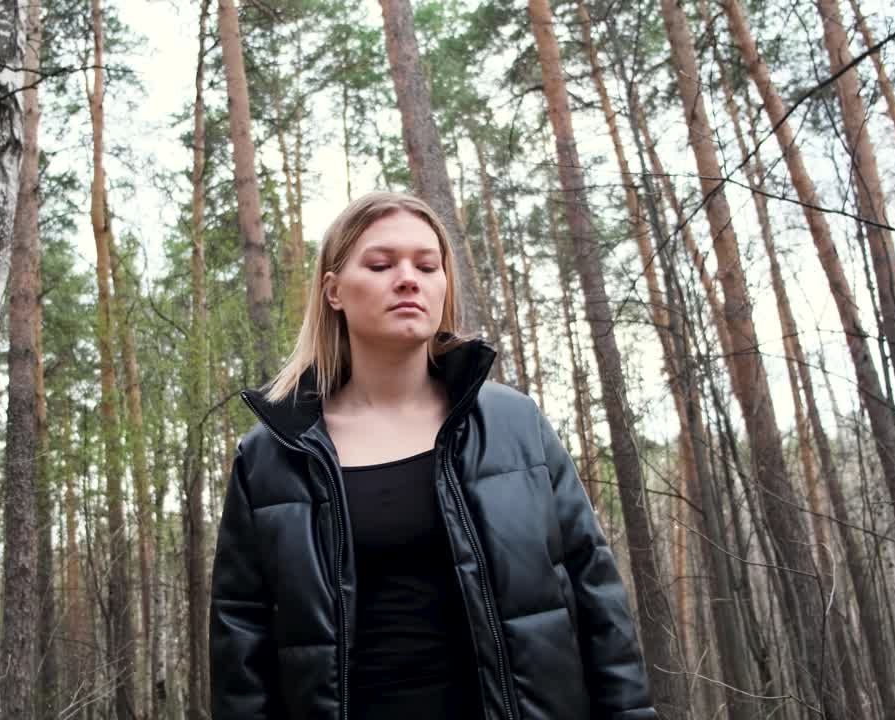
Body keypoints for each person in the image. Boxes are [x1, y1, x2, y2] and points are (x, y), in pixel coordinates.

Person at [210, 191, 656, 720]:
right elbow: (241, 644)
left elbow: (595, 594)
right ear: (333, 291)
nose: (408, 278)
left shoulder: (515, 425)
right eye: (380, 264)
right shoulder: (271, 455)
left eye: (427, 264)